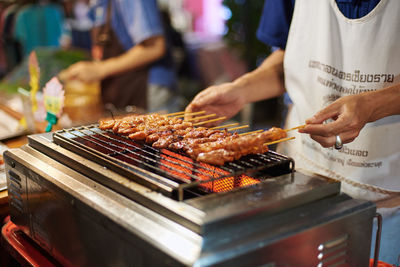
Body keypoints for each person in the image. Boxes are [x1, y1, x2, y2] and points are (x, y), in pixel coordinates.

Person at [185, 0, 400, 264]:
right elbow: (292, 56)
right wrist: (241, 89)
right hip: (299, 179)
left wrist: (373, 104)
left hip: (388, 197)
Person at [59, 0, 168, 110]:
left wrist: (99, 70)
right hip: (121, 94)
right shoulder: (98, 5)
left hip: (147, 93)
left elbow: (154, 46)